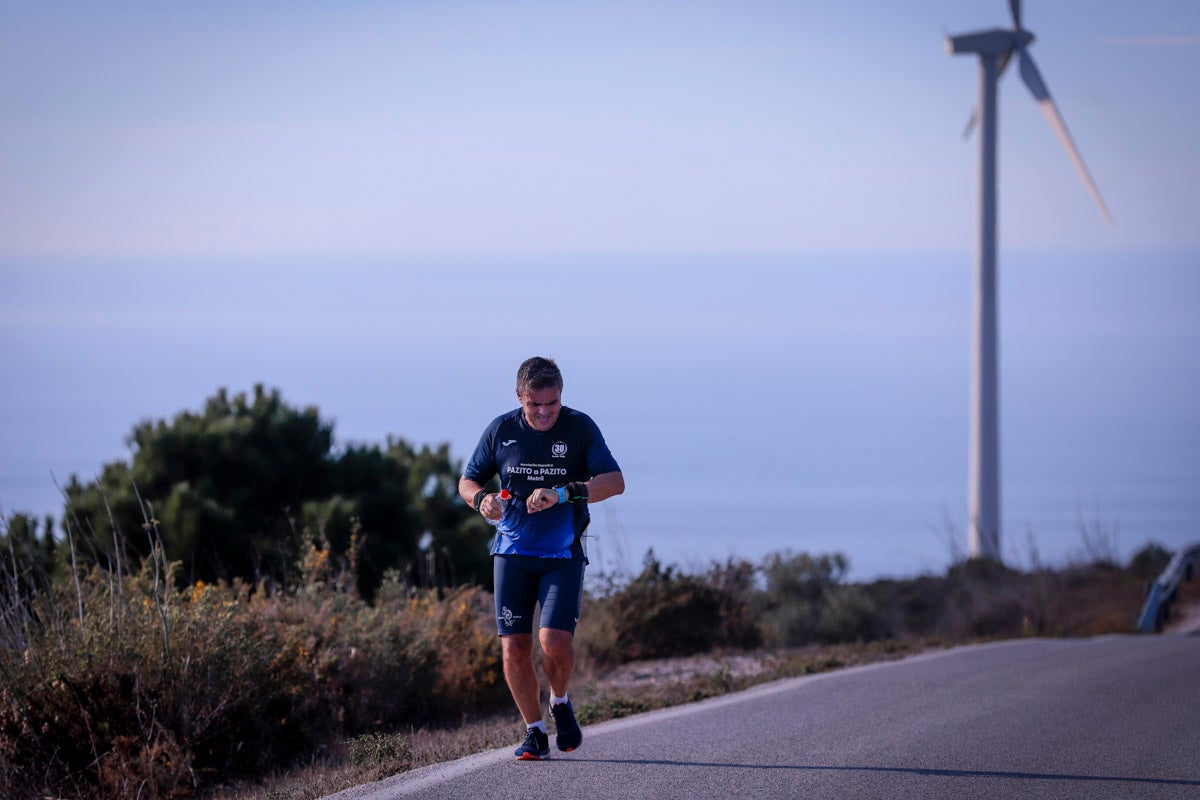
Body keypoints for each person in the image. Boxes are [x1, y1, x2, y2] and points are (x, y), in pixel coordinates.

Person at [459, 356, 624, 760]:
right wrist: (481, 501)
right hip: (511, 553)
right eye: (536, 404)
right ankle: (534, 732)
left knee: (553, 641)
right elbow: (467, 481)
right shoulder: (501, 430)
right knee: (514, 647)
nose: (546, 411)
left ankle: (560, 701)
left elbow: (615, 482)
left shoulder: (580, 427)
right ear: (520, 398)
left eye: (552, 402)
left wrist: (565, 492)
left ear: (561, 395)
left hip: (561, 554)